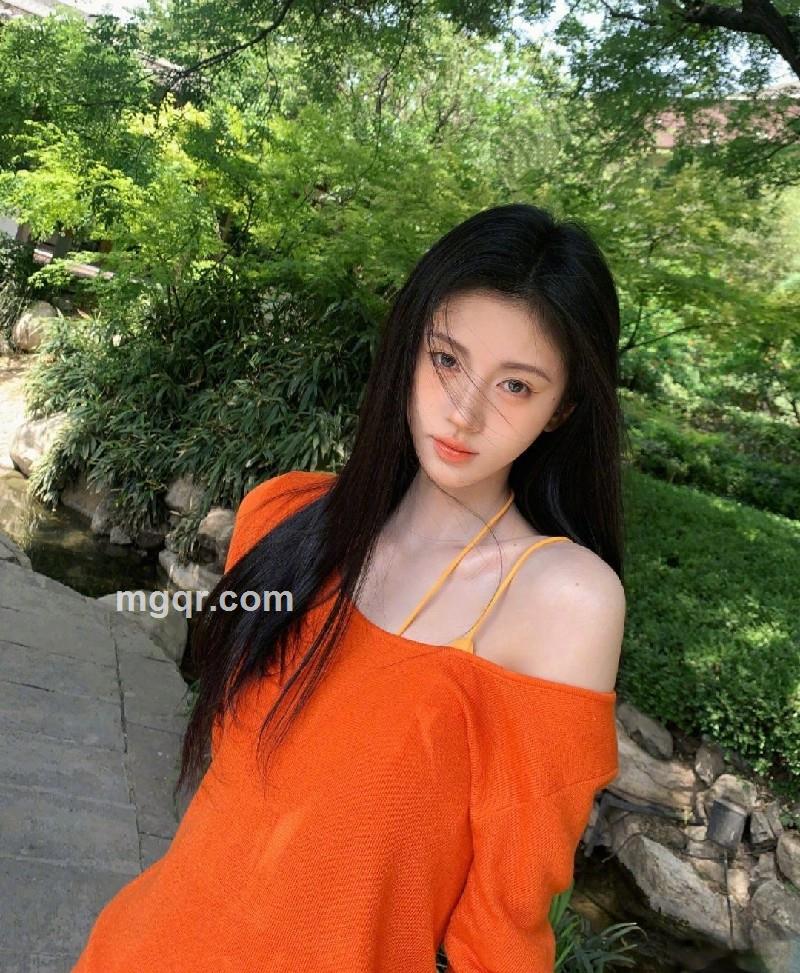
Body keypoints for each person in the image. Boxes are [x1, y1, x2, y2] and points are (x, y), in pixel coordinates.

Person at [73, 202, 626, 972]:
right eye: (447, 359)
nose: (464, 412)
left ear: (561, 408)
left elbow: (502, 935)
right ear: (409, 347)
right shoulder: (282, 519)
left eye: (516, 385)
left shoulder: (560, 601)